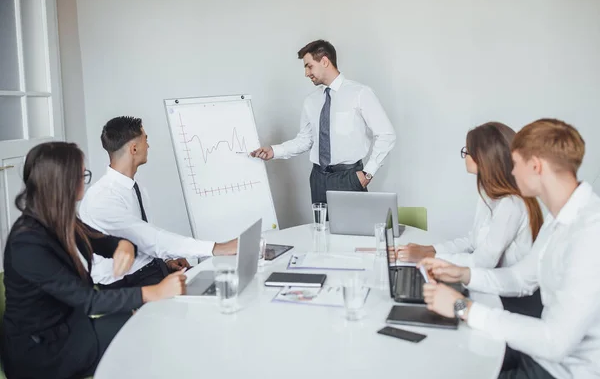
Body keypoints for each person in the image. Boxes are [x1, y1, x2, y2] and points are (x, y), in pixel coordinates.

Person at [419, 119, 600, 379]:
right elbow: (520, 278)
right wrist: (463, 274)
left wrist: (463, 307)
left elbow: (555, 342)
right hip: (539, 354)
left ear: (536, 166)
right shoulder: (559, 219)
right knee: (446, 356)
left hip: (561, 370)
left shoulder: (590, 233)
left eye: (515, 164)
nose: (511, 172)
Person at [1, 142, 185, 379]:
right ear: (62, 181)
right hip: (41, 353)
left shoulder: (58, 220)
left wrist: (123, 245)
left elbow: (101, 240)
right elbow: (88, 300)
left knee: (143, 325)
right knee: (146, 335)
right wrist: (153, 292)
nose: (84, 180)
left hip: (67, 329)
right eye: (81, 174)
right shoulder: (27, 243)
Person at [79, 116, 238, 287]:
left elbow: (144, 242)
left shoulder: (134, 187)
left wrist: (167, 260)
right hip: (124, 285)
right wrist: (217, 248)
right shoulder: (103, 198)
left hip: (151, 270)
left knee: (223, 281)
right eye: (145, 140)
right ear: (134, 148)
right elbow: (150, 239)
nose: (148, 145)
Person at [250, 39, 396, 204]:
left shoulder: (360, 93)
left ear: (325, 61)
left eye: (309, 66)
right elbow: (305, 140)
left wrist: (368, 173)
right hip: (318, 179)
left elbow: (386, 134)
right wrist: (274, 151)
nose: (306, 73)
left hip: (348, 178)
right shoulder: (311, 101)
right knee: (321, 229)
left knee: (351, 229)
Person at [398, 122, 544, 269]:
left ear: (484, 157)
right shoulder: (487, 195)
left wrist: (428, 257)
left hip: (504, 290)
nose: (465, 155)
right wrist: (430, 249)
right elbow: (472, 242)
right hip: (488, 282)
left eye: (468, 151)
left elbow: (483, 262)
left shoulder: (511, 205)